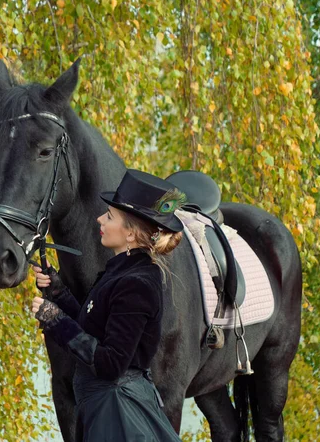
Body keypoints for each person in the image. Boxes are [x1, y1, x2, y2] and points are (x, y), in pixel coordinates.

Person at [31, 169, 185, 442]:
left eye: (110, 216)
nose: (100, 219)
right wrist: (58, 291)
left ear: (130, 235)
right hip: (107, 408)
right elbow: (94, 327)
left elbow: (111, 363)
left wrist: (56, 321)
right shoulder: (121, 272)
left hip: (118, 415)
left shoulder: (137, 283)